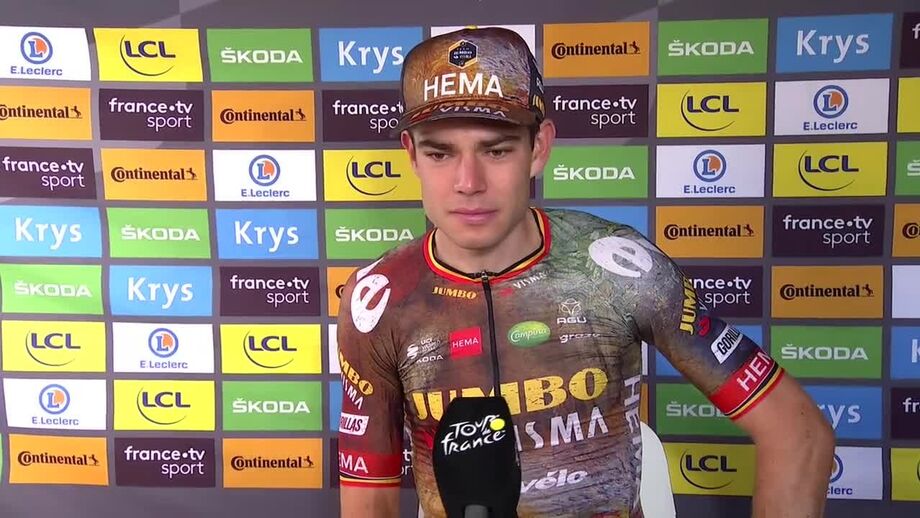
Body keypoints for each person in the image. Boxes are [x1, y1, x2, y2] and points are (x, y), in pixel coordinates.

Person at [335, 26, 835, 518]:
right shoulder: (378, 302)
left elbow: (798, 431)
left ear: (539, 148)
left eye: (497, 149)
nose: (468, 182)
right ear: (411, 155)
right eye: (440, 153)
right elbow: (368, 498)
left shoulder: (618, 269)